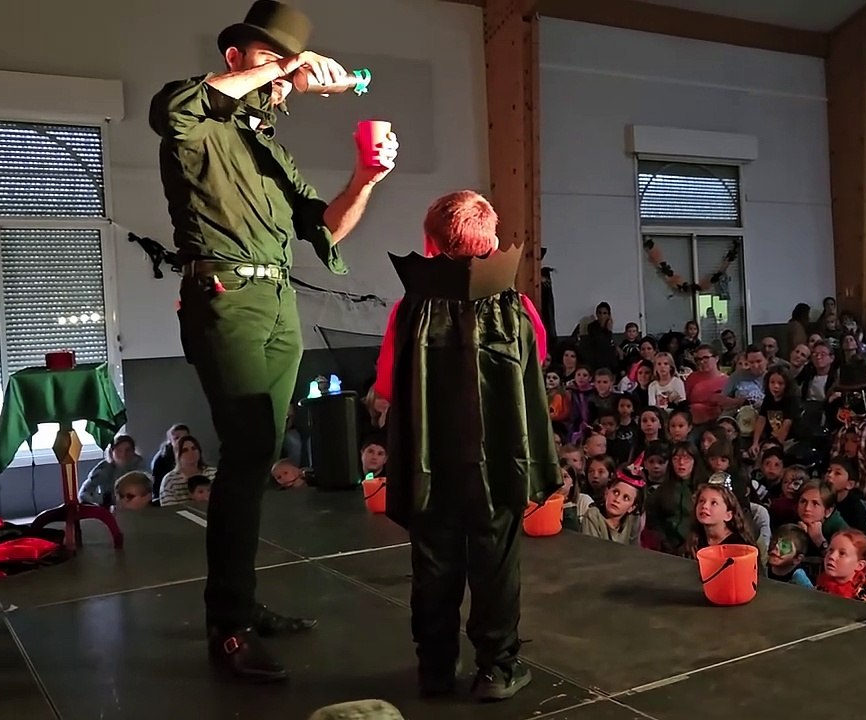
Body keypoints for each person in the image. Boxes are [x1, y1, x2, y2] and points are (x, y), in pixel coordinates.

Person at [149, 0, 399, 682]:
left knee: (255, 457)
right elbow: (172, 112)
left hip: (280, 297)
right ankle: (228, 625)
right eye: (267, 61)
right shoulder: (193, 118)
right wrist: (286, 71)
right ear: (236, 59)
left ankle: (242, 602)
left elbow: (326, 230)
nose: (281, 83)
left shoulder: (264, 143)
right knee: (251, 446)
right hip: (224, 299)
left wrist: (366, 178)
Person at [383, 191, 559, 701]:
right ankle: (497, 670)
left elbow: (390, 386)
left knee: (433, 560)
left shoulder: (410, 308)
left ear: (433, 243)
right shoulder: (518, 306)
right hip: (499, 457)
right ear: (491, 241)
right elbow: (537, 367)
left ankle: (435, 670)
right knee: (496, 558)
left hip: (432, 461)